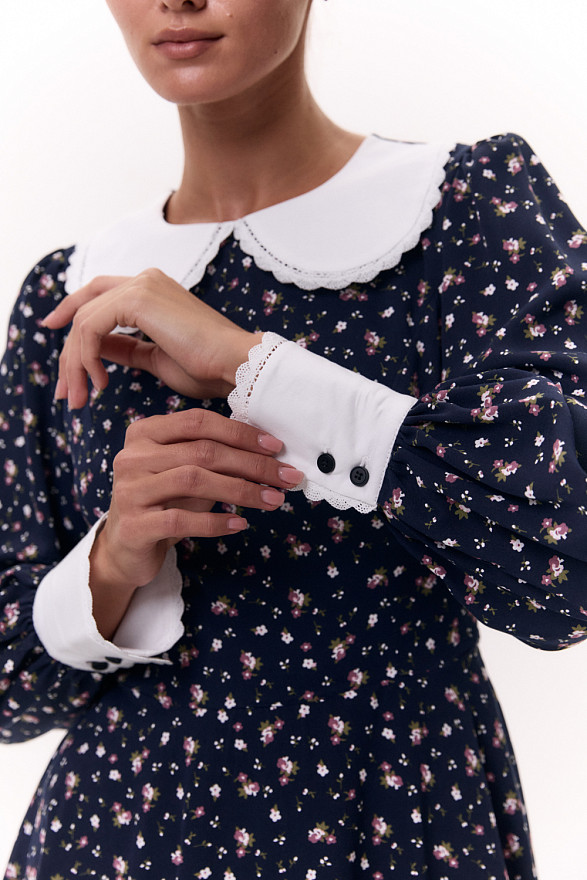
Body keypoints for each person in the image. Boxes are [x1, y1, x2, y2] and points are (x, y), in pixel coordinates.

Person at [1, 0, 587, 878]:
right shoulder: (70, 293)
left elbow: (564, 561)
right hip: (110, 836)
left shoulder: (465, 208)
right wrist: (112, 562)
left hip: (391, 826)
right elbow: (11, 688)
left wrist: (256, 370)